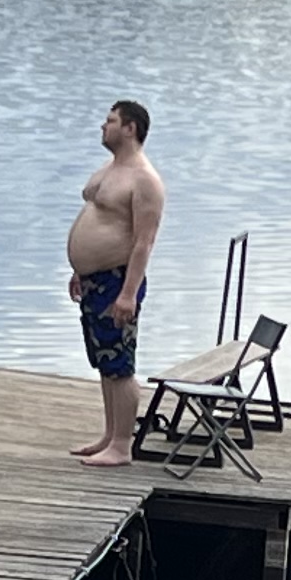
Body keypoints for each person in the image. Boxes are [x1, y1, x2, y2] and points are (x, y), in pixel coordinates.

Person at [63, 99, 167, 468]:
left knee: (120, 363)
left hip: (118, 281)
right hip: (94, 280)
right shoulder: (110, 169)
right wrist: (80, 268)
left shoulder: (145, 180)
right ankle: (109, 435)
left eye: (110, 121)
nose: (102, 127)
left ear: (130, 128)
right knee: (103, 361)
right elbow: (98, 220)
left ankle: (122, 446)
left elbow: (144, 241)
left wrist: (127, 294)